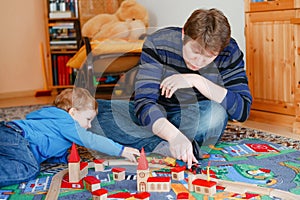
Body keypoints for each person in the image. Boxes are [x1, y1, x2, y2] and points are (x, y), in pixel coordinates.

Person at [93, 8, 252, 168]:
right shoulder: (158, 43)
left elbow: (242, 110)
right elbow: (145, 103)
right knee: (93, 113)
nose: (199, 61)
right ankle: (169, 147)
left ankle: (156, 144)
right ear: (184, 35)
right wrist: (173, 135)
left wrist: (197, 81)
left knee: (216, 114)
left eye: (209, 56)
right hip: (156, 115)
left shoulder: (229, 51)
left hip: (196, 116)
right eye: (195, 51)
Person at [0, 87, 140, 187]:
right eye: (88, 119)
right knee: (29, 169)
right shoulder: (65, 120)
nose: (89, 125)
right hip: (14, 135)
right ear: (72, 112)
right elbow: (90, 139)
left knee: (15, 162)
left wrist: (65, 158)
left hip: (12, 142)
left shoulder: (61, 132)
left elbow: (51, 153)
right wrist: (121, 150)